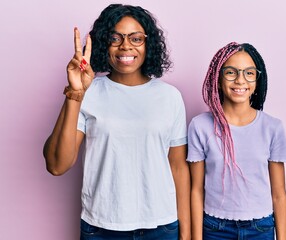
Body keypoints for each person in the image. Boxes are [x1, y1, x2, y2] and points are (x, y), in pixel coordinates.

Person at [43, 4, 190, 240]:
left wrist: (186, 234)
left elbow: (179, 168)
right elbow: (57, 165)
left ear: (148, 43)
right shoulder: (89, 92)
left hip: (161, 227)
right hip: (100, 228)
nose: (126, 46)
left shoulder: (170, 96)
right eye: (115, 38)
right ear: (104, 43)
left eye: (136, 38)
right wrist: (75, 92)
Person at [187, 42, 286, 240]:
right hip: (214, 228)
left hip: (260, 229)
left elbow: (279, 194)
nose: (240, 80)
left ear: (256, 80)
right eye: (231, 72)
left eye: (249, 73)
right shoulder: (200, 126)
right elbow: (196, 190)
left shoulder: (272, 127)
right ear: (218, 79)